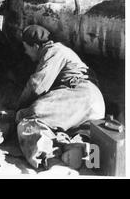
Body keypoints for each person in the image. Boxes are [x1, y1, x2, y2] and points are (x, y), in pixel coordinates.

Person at [14, 25, 105, 170]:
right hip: (94, 105)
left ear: (36, 46)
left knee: (29, 118)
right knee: (73, 131)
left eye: (26, 48)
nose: (25, 52)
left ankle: (50, 157)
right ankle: (78, 147)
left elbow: (37, 85)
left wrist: (19, 109)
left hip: (82, 95)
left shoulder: (54, 51)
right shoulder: (62, 50)